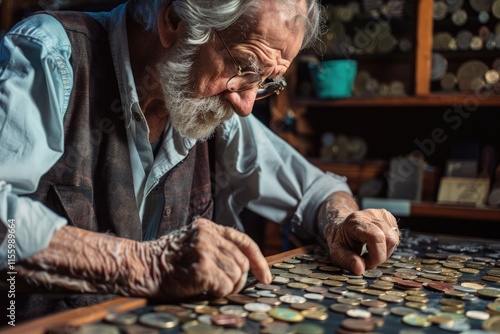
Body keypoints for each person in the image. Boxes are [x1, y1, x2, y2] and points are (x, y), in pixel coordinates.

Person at [0, 0, 399, 323]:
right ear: (174, 20)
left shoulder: (208, 104)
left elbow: (317, 191)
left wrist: (340, 222)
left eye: (266, 83)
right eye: (244, 68)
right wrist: (144, 263)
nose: (245, 105)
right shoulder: (49, 52)